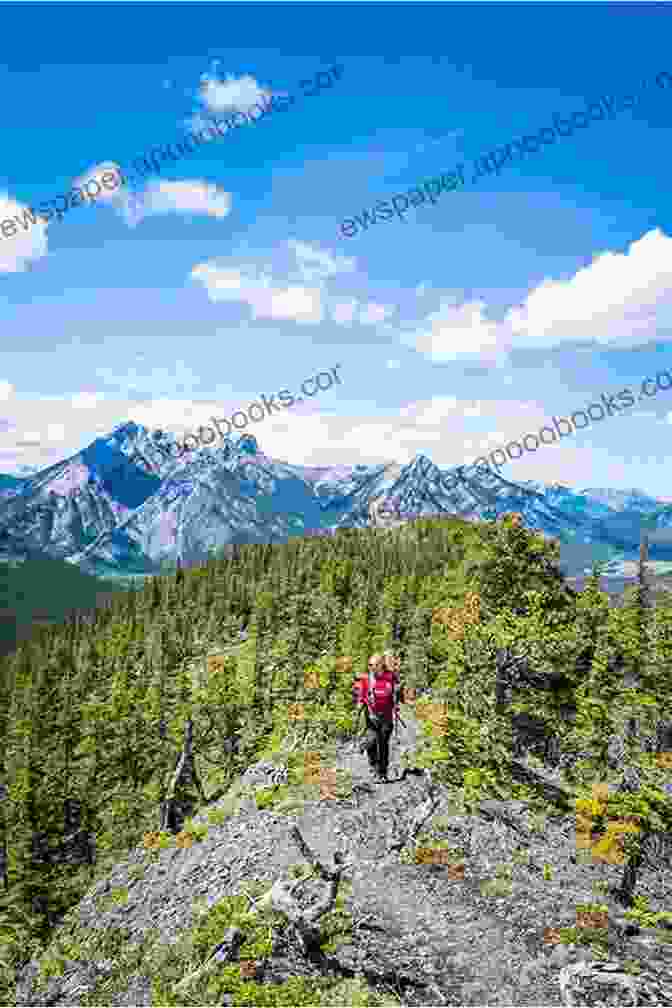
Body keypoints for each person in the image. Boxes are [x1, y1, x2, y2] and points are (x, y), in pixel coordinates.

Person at [354, 654, 399, 780]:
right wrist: (360, 703)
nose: (371, 667)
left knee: (383, 744)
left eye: (374, 665)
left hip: (386, 716)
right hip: (371, 715)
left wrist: (397, 701)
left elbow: (396, 691)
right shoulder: (367, 679)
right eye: (369, 665)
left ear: (381, 665)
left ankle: (382, 773)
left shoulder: (390, 677)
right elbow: (362, 694)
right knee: (372, 741)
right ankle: (373, 765)